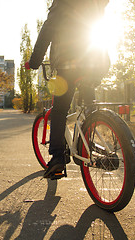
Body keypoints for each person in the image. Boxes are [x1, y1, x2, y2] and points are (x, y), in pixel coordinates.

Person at [25, 0, 111, 178]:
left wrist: (34, 62)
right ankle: (89, 142)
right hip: (97, 61)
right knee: (89, 107)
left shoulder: (62, 3)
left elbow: (47, 31)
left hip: (69, 63)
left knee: (59, 111)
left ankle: (57, 158)